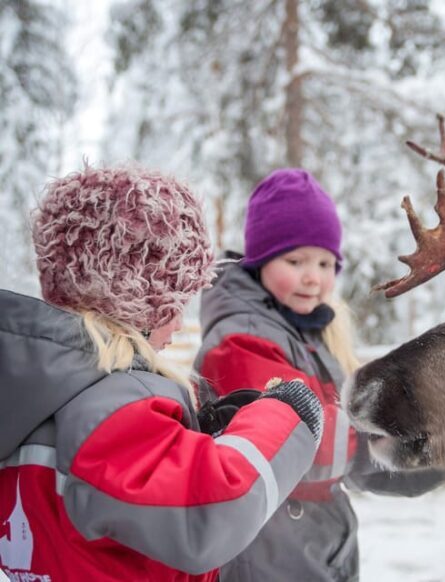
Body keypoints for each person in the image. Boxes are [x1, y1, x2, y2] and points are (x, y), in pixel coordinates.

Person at [0, 164, 325, 581]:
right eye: (174, 305)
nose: (178, 325)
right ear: (137, 306)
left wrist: (197, 439)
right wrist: (286, 417)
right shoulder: (106, 410)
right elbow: (212, 511)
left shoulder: (36, 402)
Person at [194, 168, 445, 582]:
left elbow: (344, 447)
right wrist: (390, 439)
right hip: (264, 557)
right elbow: (292, 443)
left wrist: (436, 451)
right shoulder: (242, 339)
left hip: (314, 546)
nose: (312, 277)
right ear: (261, 261)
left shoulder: (309, 334)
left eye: (324, 262)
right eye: (295, 260)